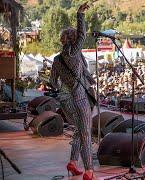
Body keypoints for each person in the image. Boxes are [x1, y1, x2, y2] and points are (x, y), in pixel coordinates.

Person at [49, 2, 96, 180]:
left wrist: (63, 83)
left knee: (78, 130)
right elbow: (83, 34)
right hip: (80, 98)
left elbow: (53, 82)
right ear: (74, 39)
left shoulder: (56, 59)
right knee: (86, 133)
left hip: (65, 99)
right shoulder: (74, 53)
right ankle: (89, 171)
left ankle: (73, 163)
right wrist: (80, 14)